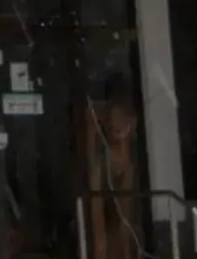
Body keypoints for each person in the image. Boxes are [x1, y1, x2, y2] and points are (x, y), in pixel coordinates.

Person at [84, 73, 143, 258]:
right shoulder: (101, 114)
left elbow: (127, 138)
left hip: (118, 164)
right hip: (106, 163)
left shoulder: (129, 117)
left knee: (123, 222)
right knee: (101, 225)